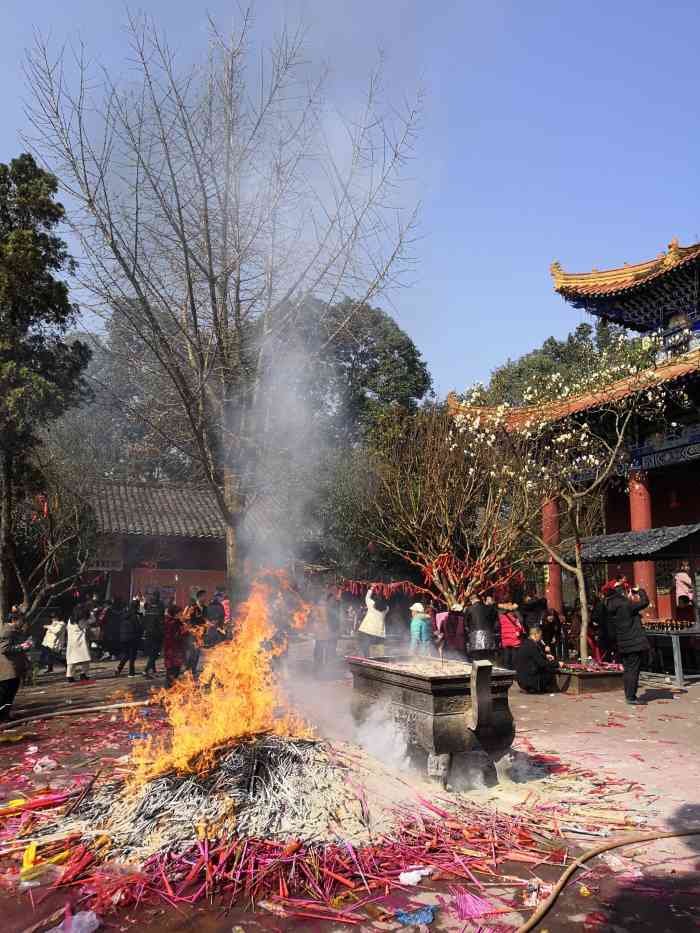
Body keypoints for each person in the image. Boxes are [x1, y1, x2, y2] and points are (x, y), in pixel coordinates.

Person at [605, 583, 650, 705]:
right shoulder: (626, 605)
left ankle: (628, 694)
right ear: (624, 593)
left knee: (628, 669)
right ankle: (631, 697)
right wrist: (640, 590)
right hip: (633, 642)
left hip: (622, 642)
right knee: (633, 669)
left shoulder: (610, 605)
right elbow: (645, 602)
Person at [0, 613, 30, 720]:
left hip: (14, 667)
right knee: (5, 693)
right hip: (7, 668)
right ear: (14, 620)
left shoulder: (14, 631)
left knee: (10, 693)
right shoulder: (7, 631)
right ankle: (2, 715)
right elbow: (4, 649)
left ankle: (5, 715)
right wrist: (21, 647)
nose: (22, 623)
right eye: (21, 620)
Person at [516, 625, 561, 693]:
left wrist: (546, 656)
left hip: (522, 678)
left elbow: (534, 656)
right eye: (540, 635)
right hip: (529, 679)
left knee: (547, 667)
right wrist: (557, 664)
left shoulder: (526, 642)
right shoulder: (532, 645)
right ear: (535, 634)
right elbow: (541, 663)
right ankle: (549, 689)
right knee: (550, 670)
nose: (541, 638)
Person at [465, 593, 499, 661]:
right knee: (488, 659)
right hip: (488, 636)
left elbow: (466, 624)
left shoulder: (469, 609)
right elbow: (495, 620)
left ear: (472, 600)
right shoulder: (489, 608)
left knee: (477, 660)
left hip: (475, 637)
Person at [182, 590, 208, 676]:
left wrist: (207, 626)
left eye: (205, 596)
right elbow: (185, 619)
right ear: (199, 597)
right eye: (204, 596)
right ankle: (188, 669)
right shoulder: (192, 607)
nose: (205, 598)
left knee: (197, 653)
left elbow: (205, 620)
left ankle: (193, 670)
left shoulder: (205, 608)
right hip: (192, 634)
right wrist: (191, 629)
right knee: (193, 652)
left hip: (201, 634)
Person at [357, 588, 388, 657]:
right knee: (377, 653)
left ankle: (367, 660)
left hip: (366, 631)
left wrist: (371, 588)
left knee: (366, 650)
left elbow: (367, 597)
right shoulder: (387, 608)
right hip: (379, 634)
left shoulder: (371, 604)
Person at [115, 599, 142, 677]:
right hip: (132, 637)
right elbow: (137, 627)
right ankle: (131, 672)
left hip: (123, 637)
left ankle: (118, 669)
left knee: (126, 654)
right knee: (132, 656)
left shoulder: (124, 614)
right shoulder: (134, 615)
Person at [66, 605, 92, 682]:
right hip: (80, 642)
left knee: (72, 660)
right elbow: (87, 626)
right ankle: (84, 674)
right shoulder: (81, 620)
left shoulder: (70, 620)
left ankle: (69, 675)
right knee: (86, 659)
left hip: (72, 642)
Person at [143, 591, 165, 678]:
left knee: (152, 652)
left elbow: (145, 621)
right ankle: (146, 670)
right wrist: (163, 632)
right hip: (156, 634)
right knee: (154, 654)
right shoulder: (160, 607)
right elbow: (161, 622)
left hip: (149, 633)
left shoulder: (148, 607)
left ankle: (153, 669)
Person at [163, 603, 186, 687]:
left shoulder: (176, 623)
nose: (182, 615)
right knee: (171, 677)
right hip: (172, 654)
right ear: (175, 614)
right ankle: (165, 697)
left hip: (176, 653)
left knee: (174, 676)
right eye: (180, 613)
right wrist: (184, 629)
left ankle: (169, 696)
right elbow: (177, 637)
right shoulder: (172, 624)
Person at [499, 604, 525, 669]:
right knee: (514, 653)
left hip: (505, 637)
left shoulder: (501, 616)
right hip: (514, 637)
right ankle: (514, 667)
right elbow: (521, 622)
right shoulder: (515, 616)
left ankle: (506, 667)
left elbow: (497, 625)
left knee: (506, 652)